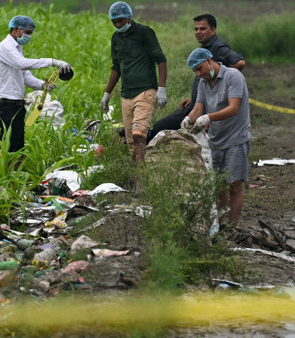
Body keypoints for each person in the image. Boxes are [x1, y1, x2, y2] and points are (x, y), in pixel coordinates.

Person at [181, 48, 250, 228]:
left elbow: (234, 108)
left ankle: (232, 227)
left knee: (234, 185)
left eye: (200, 68)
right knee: (219, 186)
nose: (199, 74)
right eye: (195, 71)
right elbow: (198, 108)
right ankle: (219, 225)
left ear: (209, 60)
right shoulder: (203, 82)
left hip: (236, 138)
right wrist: (189, 120)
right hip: (215, 140)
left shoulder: (233, 76)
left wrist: (209, 118)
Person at [149, 14, 245, 142]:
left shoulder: (218, 47)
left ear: (213, 30)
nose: (198, 32)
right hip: (197, 104)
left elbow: (239, 63)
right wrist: (198, 97)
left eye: (202, 29)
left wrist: (220, 89)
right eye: (196, 29)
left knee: (162, 126)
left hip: (210, 109)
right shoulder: (204, 48)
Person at [100, 1, 167, 164]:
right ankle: (141, 173)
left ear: (129, 18)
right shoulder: (116, 38)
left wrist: (162, 88)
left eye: (120, 21)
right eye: (114, 22)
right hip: (126, 94)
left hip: (145, 90)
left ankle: (141, 178)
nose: (117, 25)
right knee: (131, 142)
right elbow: (117, 67)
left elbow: (161, 60)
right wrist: (107, 93)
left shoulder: (144, 33)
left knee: (139, 134)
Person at [0, 15, 73, 155]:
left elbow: (25, 75)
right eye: (27, 33)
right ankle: (8, 174)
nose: (29, 37)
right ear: (17, 29)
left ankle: (15, 174)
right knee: (10, 148)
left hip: (17, 105)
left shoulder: (17, 49)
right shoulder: (6, 47)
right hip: (7, 106)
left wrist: (43, 85)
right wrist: (52, 61)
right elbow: (22, 64)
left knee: (18, 147)